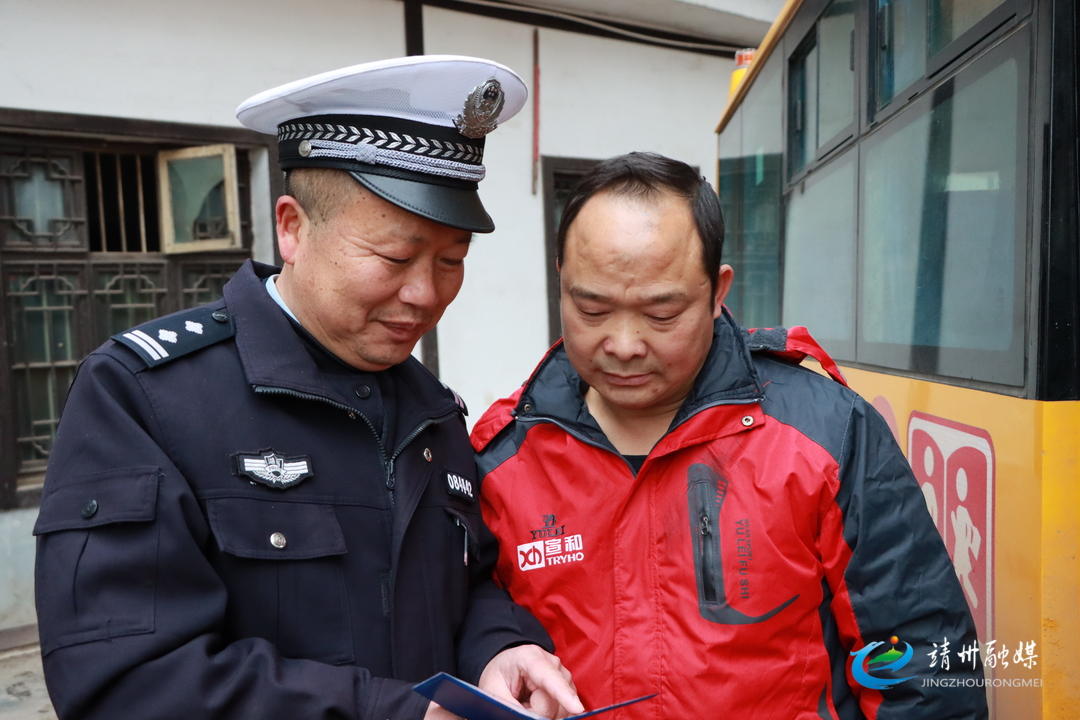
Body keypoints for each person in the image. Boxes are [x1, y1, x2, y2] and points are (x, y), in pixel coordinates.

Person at [33, 56, 582, 720]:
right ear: (292, 228)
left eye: (451, 261)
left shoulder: (430, 412)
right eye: (395, 257)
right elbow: (125, 684)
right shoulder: (145, 398)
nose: (426, 294)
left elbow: (467, 587)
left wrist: (501, 650)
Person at [471, 152, 988, 718]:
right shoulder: (501, 456)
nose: (623, 344)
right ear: (562, 282)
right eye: (591, 309)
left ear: (717, 293)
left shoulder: (825, 435)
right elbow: (467, 621)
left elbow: (920, 660)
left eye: (661, 314)